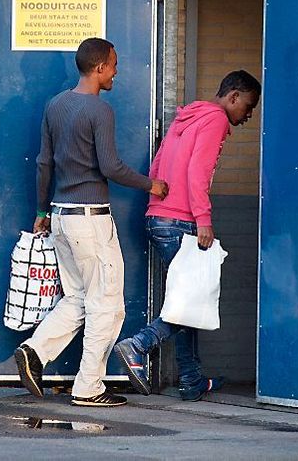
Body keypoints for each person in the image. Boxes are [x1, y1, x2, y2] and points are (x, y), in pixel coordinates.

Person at [13, 38, 169, 408]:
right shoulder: (99, 110)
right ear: (99, 68)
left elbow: (43, 163)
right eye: (114, 65)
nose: (116, 72)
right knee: (108, 306)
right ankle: (89, 387)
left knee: (79, 298)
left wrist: (41, 213)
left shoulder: (56, 105)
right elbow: (110, 167)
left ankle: (34, 351)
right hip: (91, 220)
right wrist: (153, 185)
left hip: (61, 218)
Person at [113, 70, 261, 401]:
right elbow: (198, 172)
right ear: (233, 97)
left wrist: (157, 203)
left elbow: (157, 166)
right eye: (248, 107)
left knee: (187, 297)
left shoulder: (188, 116)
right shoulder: (216, 120)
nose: (248, 116)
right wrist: (203, 220)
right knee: (190, 301)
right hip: (180, 221)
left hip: (158, 216)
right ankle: (138, 345)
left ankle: (191, 378)